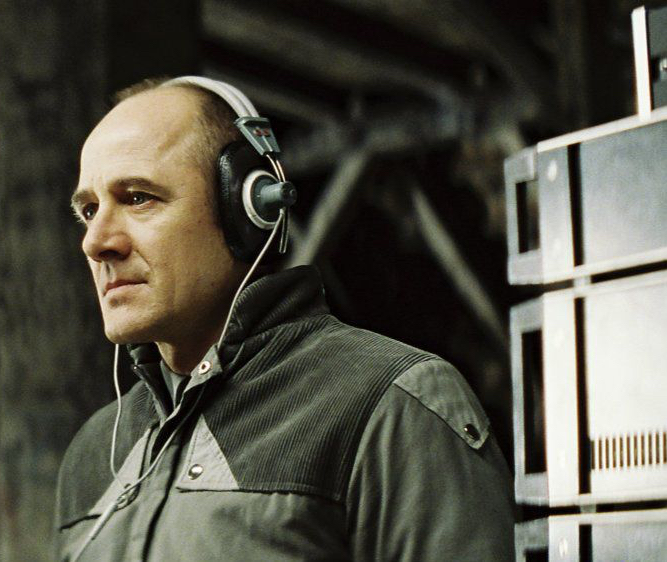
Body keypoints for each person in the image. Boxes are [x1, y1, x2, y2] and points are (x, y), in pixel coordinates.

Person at [56, 76, 514, 561]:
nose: (95, 242)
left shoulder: (392, 406)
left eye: (137, 198)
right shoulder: (93, 452)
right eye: (89, 210)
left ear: (245, 207)